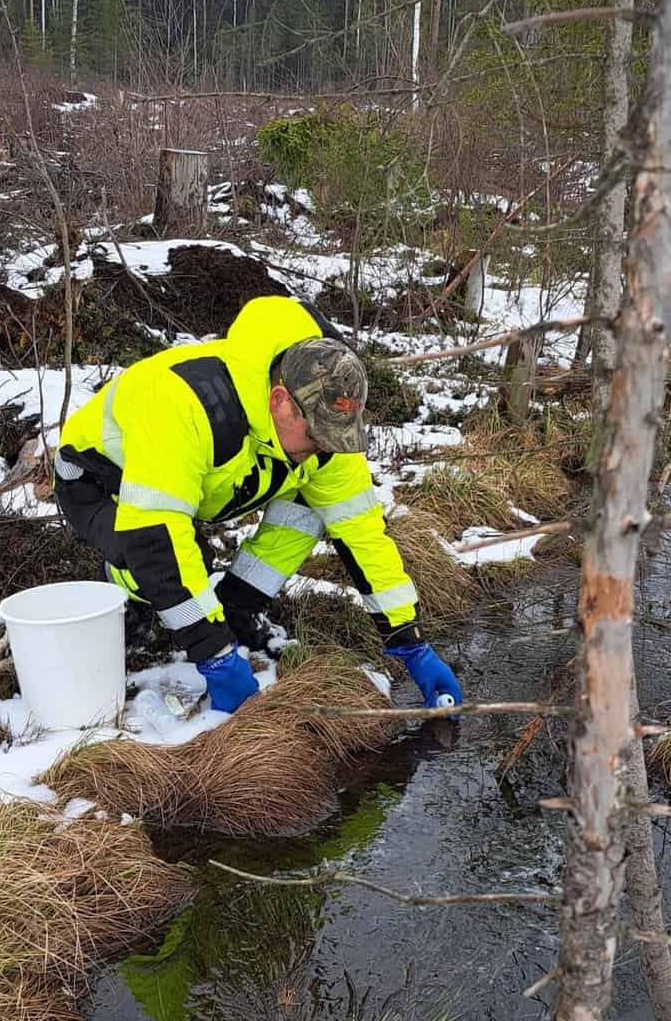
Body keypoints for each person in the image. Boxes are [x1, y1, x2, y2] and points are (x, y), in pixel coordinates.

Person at [53, 294, 462, 715]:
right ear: (279, 400)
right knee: (164, 554)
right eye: (316, 434)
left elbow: (362, 534)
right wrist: (215, 655)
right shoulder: (185, 404)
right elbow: (156, 536)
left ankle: (237, 605)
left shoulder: (321, 432)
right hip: (101, 481)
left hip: (197, 485)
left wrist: (411, 644)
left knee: (308, 508)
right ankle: (128, 591)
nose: (326, 448)